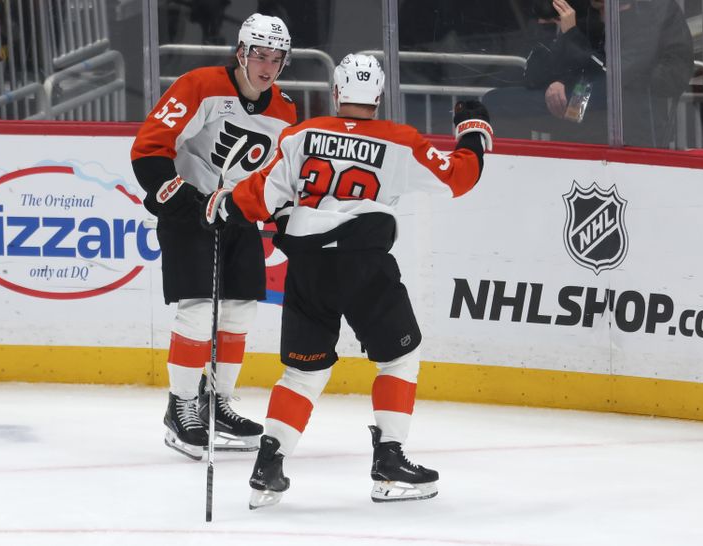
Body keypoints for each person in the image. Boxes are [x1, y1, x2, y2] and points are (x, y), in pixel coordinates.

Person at [201, 53, 494, 508]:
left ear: (336, 92)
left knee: (304, 370)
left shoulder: (302, 134)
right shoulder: (400, 141)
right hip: (364, 264)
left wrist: (224, 204)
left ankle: (268, 466)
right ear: (378, 96)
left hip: (309, 266)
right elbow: (459, 177)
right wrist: (473, 131)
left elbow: (260, 195)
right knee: (400, 358)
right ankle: (390, 460)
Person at [130, 13, 297, 461]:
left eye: (276, 58)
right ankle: (181, 407)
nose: (267, 66)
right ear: (241, 53)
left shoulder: (284, 110)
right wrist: (182, 201)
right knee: (199, 310)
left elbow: (275, 177)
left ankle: (216, 403)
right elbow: (149, 148)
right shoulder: (199, 84)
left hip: (237, 217)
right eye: (259, 55)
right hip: (188, 213)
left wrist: (280, 221)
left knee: (239, 312)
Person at [484, 0, 692, 147]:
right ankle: (515, 174)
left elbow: (609, 72)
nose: (602, 15)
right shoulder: (585, 12)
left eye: (605, 7)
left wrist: (571, 35)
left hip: (628, 110)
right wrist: (558, 80)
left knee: (579, 120)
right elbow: (539, 74)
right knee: (498, 102)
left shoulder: (653, 12)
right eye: (597, 8)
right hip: (586, 98)